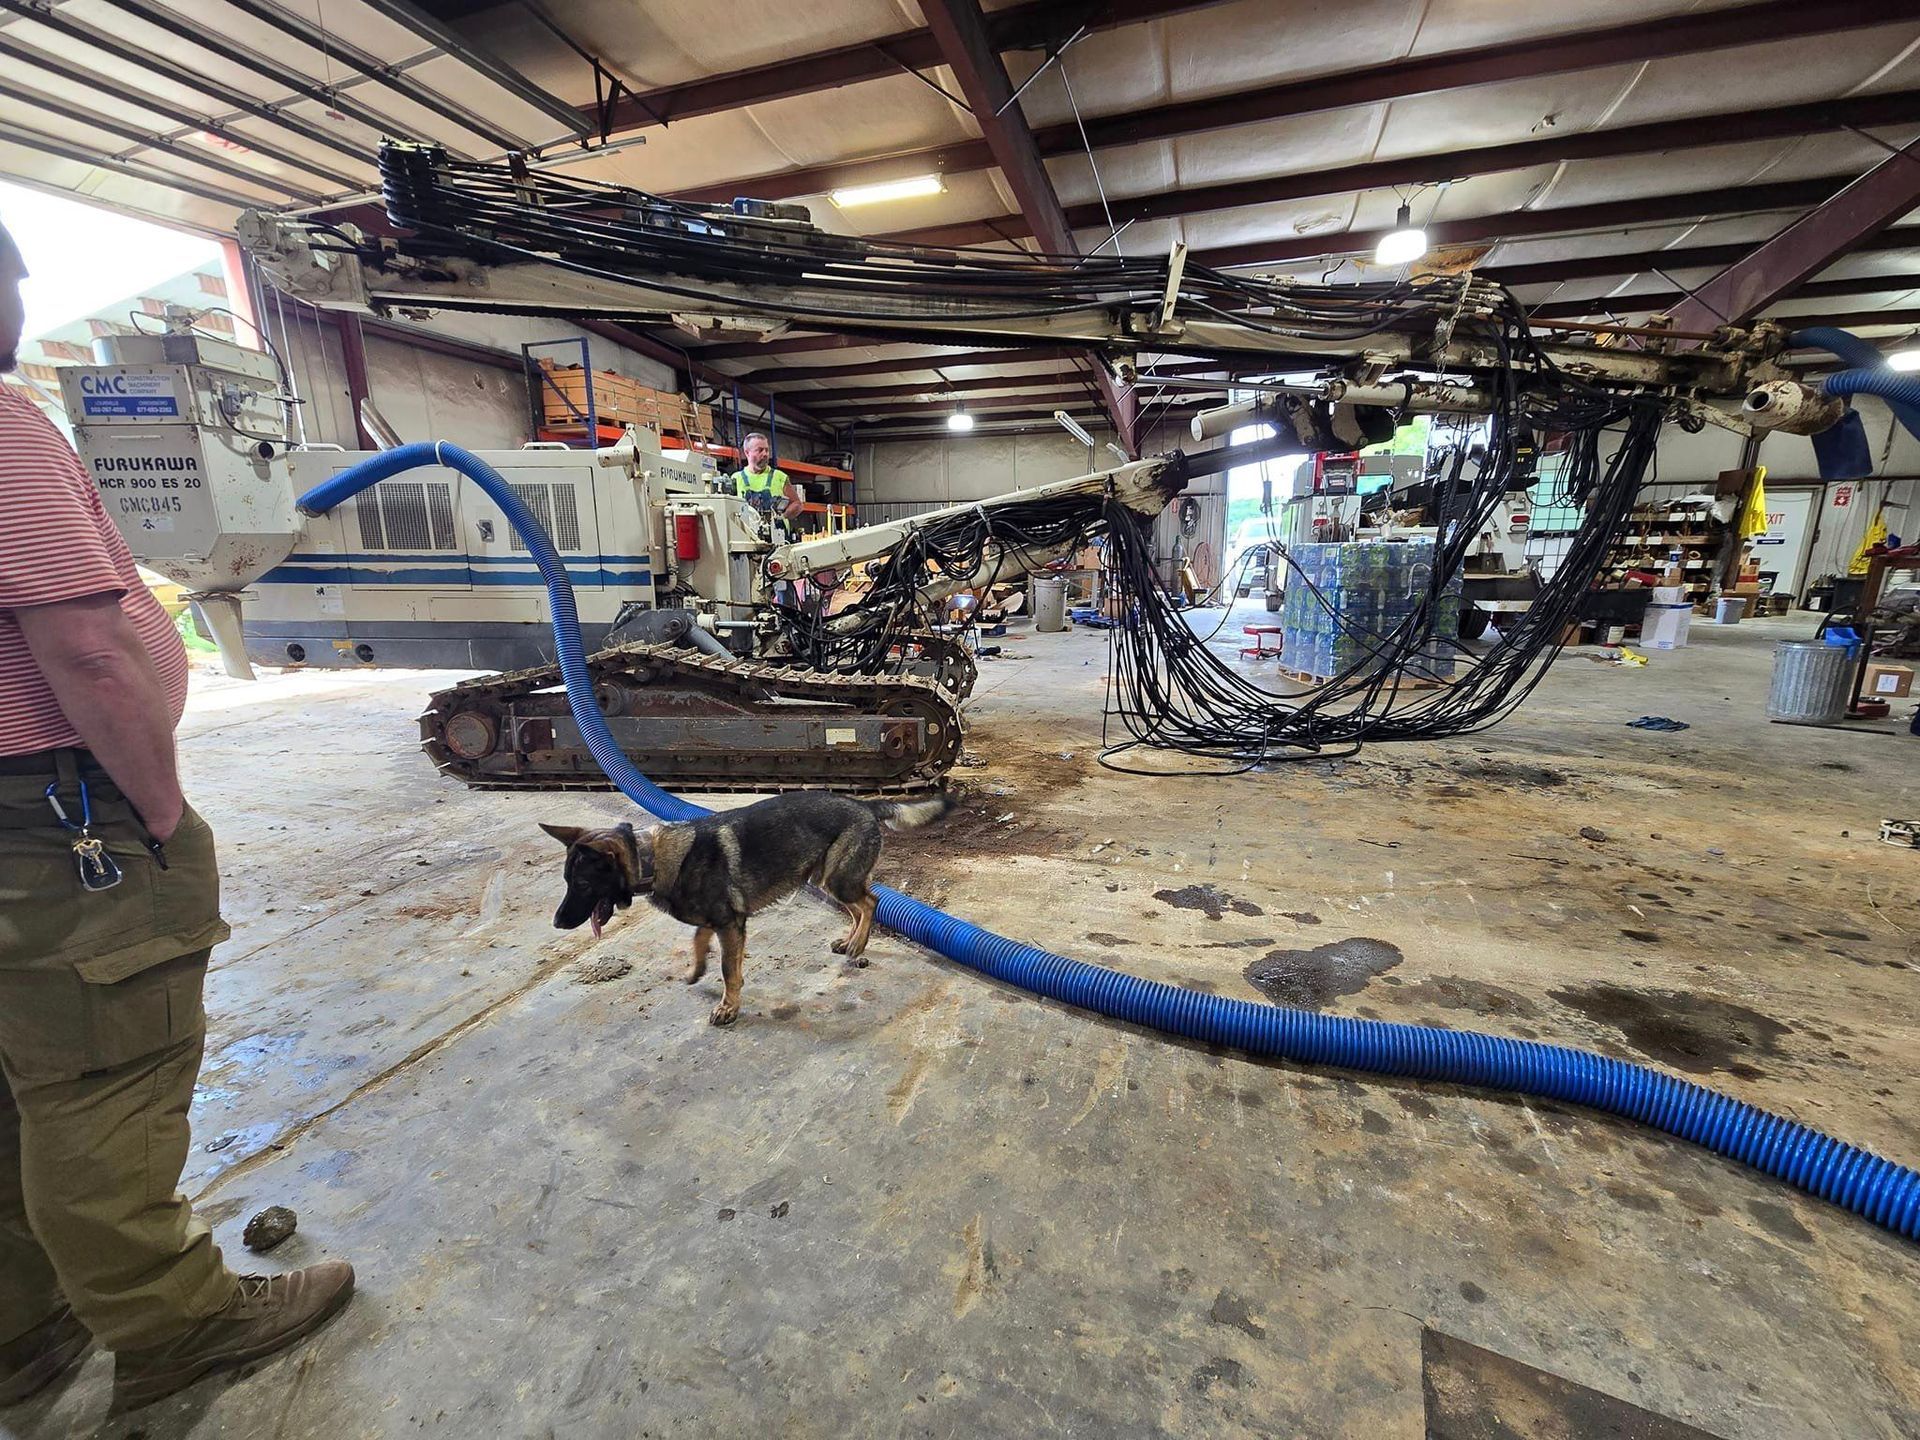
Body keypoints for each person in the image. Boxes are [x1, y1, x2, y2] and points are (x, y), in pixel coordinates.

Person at [0, 220, 353, 1415]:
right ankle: (174, 1323)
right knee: (103, 1076)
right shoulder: (1, 430)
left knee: (17, 1075)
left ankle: (24, 1327)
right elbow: (89, 651)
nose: (22, 295)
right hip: (53, 814)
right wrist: (157, 811)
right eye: (12, 275)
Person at [730, 431, 805, 533]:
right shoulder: (736, 479)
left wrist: (782, 517)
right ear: (747, 452)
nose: (765, 454)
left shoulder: (779, 477)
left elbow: (797, 504)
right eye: (760, 450)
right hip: (747, 537)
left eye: (767, 450)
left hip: (778, 537)